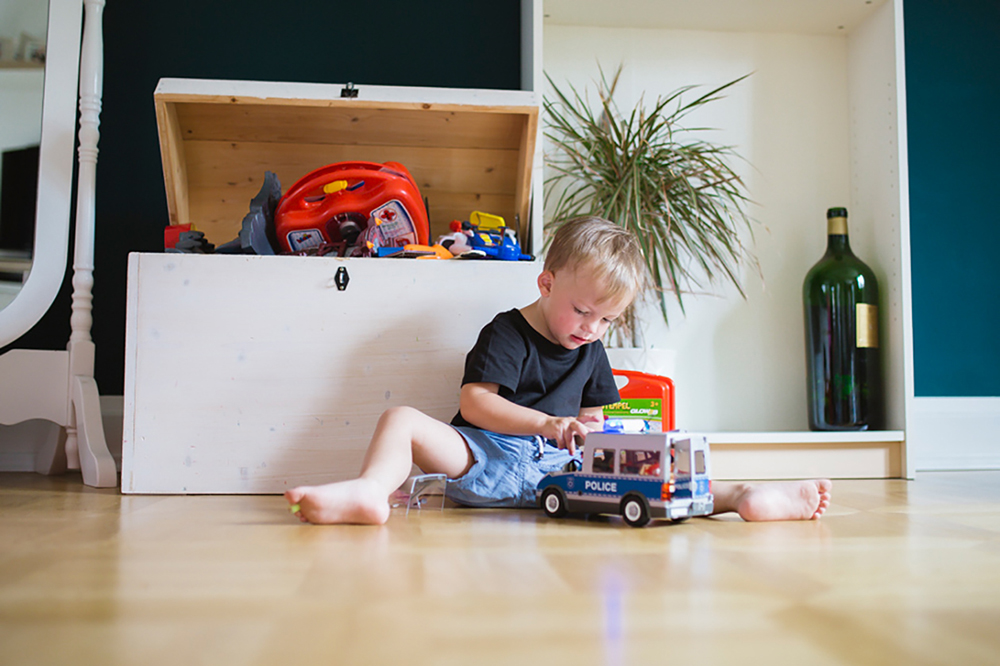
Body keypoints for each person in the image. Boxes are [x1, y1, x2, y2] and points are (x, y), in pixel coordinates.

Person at [285, 216, 832, 525]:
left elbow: (594, 419)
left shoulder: (591, 349)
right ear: (546, 284)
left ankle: (743, 495)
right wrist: (547, 424)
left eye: (606, 320)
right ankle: (370, 491)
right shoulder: (507, 331)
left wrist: (591, 434)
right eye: (582, 311)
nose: (591, 328)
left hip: (562, 474)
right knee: (401, 418)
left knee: (653, 478)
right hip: (484, 457)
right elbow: (476, 403)